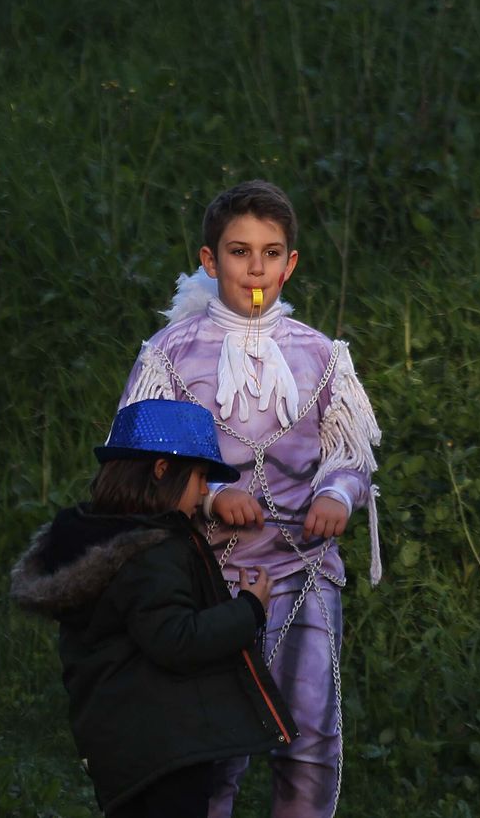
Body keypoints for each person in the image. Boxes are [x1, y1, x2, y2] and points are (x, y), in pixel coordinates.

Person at [116, 180, 382, 818]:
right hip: (207, 578)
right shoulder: (170, 355)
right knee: (216, 746)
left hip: (303, 570)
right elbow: (135, 466)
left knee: (312, 737)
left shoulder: (322, 355)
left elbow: (349, 453)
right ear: (210, 261)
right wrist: (207, 496)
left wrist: (338, 496)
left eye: (270, 253)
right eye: (239, 252)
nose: (255, 268)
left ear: (290, 264)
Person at [10, 398, 297, 818]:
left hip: (115, 744)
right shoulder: (151, 552)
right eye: (200, 477)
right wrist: (250, 608)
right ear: (162, 470)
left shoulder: (86, 536)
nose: (204, 491)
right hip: (166, 748)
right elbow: (176, 639)